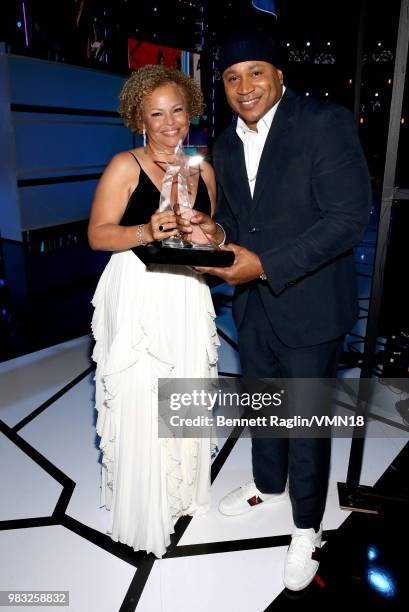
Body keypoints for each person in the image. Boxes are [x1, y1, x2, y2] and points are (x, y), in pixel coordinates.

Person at [179, 28, 371, 590]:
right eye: (232, 78)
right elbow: (241, 221)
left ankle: (307, 527)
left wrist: (261, 264)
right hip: (254, 305)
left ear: (280, 76)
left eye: (256, 73)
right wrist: (217, 234)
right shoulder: (222, 142)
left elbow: (345, 220)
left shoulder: (324, 123)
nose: (244, 87)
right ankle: (269, 482)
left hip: (311, 303)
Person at [88, 65, 219, 558]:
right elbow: (99, 234)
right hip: (139, 292)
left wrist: (205, 229)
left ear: (191, 112)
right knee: (143, 393)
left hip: (187, 290)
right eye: (157, 114)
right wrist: (147, 230)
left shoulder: (203, 168)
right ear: (139, 118)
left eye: (177, 111)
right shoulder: (126, 165)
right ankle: (143, 505)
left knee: (182, 388)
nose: (169, 123)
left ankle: (180, 492)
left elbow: (212, 232)